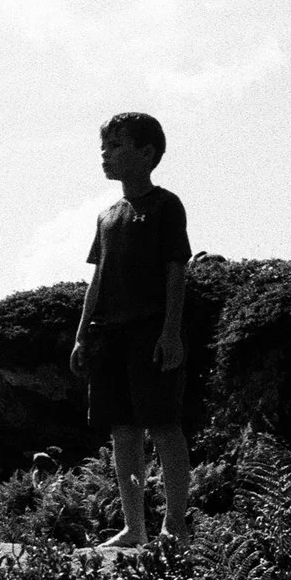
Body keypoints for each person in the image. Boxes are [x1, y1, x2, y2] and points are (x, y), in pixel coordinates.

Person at [69, 111, 193, 548]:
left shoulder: (165, 205)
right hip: (109, 335)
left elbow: (176, 270)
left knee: (163, 426)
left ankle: (173, 526)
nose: (106, 154)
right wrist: (83, 334)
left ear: (147, 153)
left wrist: (171, 332)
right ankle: (134, 526)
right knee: (122, 431)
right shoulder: (107, 216)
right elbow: (97, 279)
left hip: (150, 332)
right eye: (104, 146)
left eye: (117, 145)